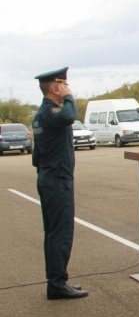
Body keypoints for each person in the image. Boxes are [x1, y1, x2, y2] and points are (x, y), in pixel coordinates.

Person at [32, 67, 88, 300]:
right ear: (55, 88)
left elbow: (36, 156)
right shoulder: (52, 112)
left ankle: (56, 281)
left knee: (54, 232)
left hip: (49, 176)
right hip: (57, 179)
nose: (68, 88)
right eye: (64, 85)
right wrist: (70, 98)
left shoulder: (41, 114)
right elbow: (68, 117)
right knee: (61, 233)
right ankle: (57, 284)